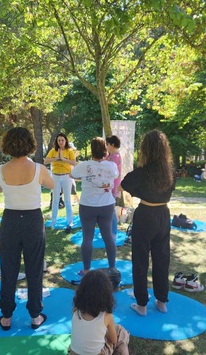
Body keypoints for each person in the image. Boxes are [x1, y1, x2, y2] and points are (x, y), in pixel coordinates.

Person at [0, 127, 54, 331]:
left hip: (10, 221)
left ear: (7, 145)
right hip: (32, 221)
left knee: (8, 269)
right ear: (30, 144)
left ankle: (6, 316)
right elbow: (52, 185)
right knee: (34, 270)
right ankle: (35, 315)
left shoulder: (1, 170)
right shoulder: (39, 169)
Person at [119, 130, 175, 316]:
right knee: (162, 257)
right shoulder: (169, 172)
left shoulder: (141, 173)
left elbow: (123, 185)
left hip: (145, 215)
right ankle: (161, 301)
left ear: (145, 150)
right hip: (163, 215)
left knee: (140, 259)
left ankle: (142, 304)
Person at [71, 137, 119, 276]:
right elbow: (115, 176)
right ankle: (112, 267)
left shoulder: (83, 165)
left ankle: (86, 269)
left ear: (92, 150)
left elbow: (71, 174)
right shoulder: (111, 165)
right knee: (108, 237)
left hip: (87, 206)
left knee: (87, 238)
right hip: (107, 205)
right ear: (105, 149)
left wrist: (85, 176)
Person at [69, 270, 130, 355]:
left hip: (73, 353)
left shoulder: (76, 310)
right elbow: (113, 340)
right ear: (106, 294)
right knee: (120, 332)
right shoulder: (106, 316)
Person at [44, 132, 77, 232]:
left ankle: (70, 222)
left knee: (67, 199)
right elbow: (46, 161)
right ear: (56, 141)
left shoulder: (69, 151)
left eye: (62, 140)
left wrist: (63, 159)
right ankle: (53, 221)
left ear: (65, 141)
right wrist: (56, 158)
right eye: (59, 140)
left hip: (66, 176)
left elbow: (74, 163)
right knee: (55, 199)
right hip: (55, 176)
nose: (61, 142)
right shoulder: (53, 151)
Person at [106, 135, 122, 239]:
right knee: (109, 210)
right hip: (110, 186)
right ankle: (110, 231)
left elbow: (107, 170)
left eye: (107, 144)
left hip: (112, 187)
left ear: (112, 145)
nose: (106, 146)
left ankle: (113, 233)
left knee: (111, 211)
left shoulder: (114, 157)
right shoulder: (111, 155)